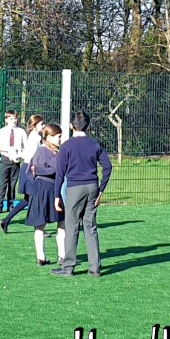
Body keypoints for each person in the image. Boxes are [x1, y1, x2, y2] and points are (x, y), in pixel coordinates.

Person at [50, 111, 112, 278]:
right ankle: (95, 268)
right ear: (88, 126)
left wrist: (57, 196)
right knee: (90, 227)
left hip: (75, 188)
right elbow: (108, 167)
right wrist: (101, 190)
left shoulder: (67, 145)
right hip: (92, 186)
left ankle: (68, 266)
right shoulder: (94, 144)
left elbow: (60, 173)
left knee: (71, 227)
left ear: (72, 126)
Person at [24, 123, 66, 265]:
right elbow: (30, 171)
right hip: (44, 189)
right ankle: (41, 256)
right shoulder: (42, 151)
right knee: (40, 224)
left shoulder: (57, 151)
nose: (60, 139)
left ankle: (62, 255)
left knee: (62, 222)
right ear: (48, 137)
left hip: (55, 188)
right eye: (58, 136)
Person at [0, 114, 44, 233]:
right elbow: (31, 156)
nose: (43, 126)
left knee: (28, 199)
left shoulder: (34, 137)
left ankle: (6, 220)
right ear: (34, 126)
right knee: (34, 198)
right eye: (41, 124)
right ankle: (40, 227)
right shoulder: (35, 138)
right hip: (30, 169)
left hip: (28, 168)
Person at [0, 111, 27, 214]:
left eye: (15, 118)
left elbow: (25, 146)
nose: (14, 121)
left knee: (13, 183)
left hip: (16, 161)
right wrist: (8, 152)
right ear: (6, 120)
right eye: (11, 118)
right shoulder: (2, 131)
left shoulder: (21, 132)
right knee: (3, 183)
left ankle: (11, 204)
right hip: (5, 159)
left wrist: (20, 155)